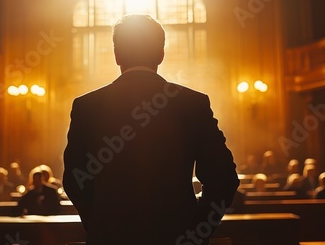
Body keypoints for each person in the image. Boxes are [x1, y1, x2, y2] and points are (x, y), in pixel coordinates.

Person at [63, 14, 239, 245]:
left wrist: (99, 222)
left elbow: (75, 179)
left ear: (116, 55)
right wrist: (198, 230)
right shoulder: (192, 103)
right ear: (161, 54)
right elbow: (224, 178)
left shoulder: (87, 106)